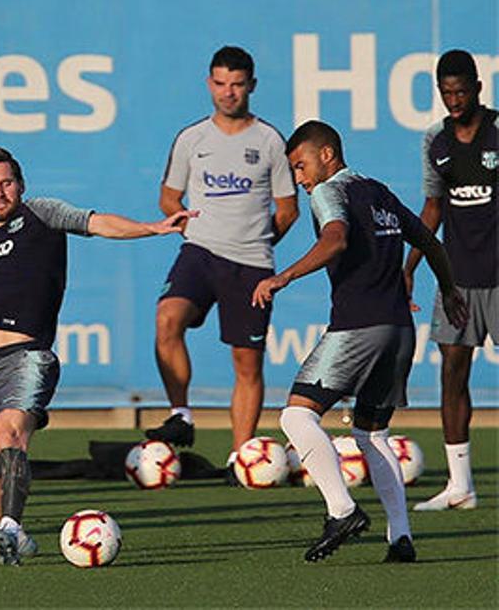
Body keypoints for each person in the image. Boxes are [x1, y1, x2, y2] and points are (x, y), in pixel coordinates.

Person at [0, 146, 192, 565]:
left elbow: (97, 223)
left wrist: (153, 227)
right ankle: (16, 533)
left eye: (6, 182)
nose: (0, 191)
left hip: (26, 356)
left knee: (10, 433)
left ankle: (10, 530)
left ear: (21, 184)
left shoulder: (40, 214)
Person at [253, 120, 467, 563]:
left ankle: (342, 510)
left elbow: (336, 239)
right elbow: (429, 240)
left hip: (358, 327)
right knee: (372, 435)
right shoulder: (379, 191)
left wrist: (284, 276)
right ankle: (401, 538)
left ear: (326, 155)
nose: (299, 176)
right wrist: (448, 290)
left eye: (300, 164)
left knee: (296, 417)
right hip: (398, 332)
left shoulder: (329, 191)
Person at [146, 46, 298, 475]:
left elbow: (288, 209)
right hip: (200, 251)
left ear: (251, 85)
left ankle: (242, 457)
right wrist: (177, 217)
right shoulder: (192, 138)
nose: (228, 92)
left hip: (250, 263)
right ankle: (181, 415)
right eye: (220, 83)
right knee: (166, 320)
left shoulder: (269, 141)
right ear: (209, 84)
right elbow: (168, 195)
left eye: (236, 84)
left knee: (246, 363)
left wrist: (260, 240)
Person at [403, 49, 497, 512]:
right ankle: (460, 486)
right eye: (446, 93)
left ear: (478, 88)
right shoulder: (435, 141)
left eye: (462, 91)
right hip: (456, 281)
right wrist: (409, 266)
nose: (454, 100)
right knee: (452, 373)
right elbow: (433, 209)